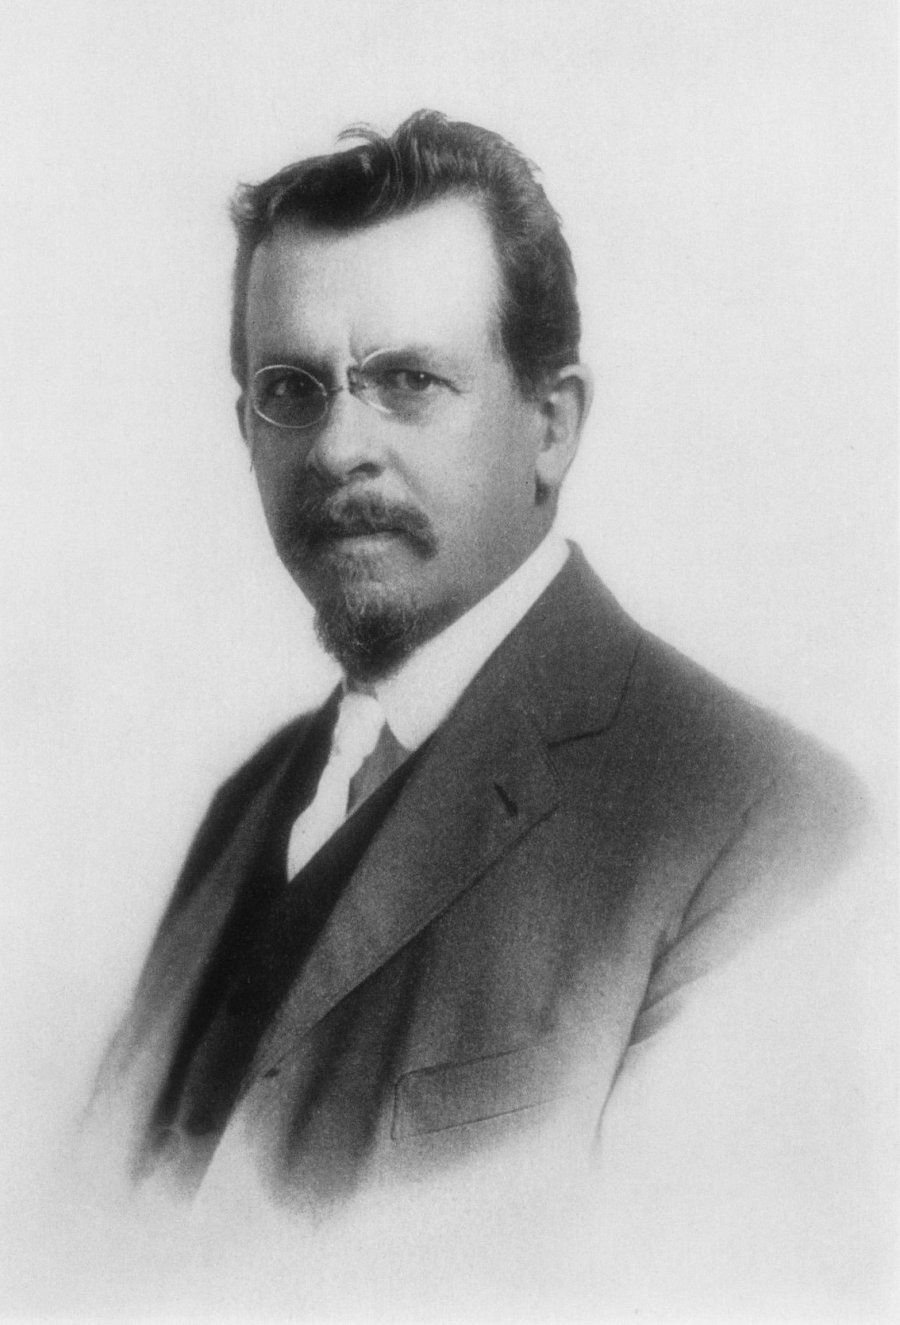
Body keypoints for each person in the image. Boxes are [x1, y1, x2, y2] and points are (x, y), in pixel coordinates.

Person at [90, 110, 865, 1218]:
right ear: (247, 428)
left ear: (551, 425)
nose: (339, 447)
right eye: (293, 389)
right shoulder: (243, 808)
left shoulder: (770, 831)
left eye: (408, 380)